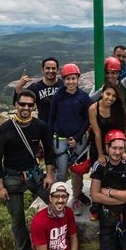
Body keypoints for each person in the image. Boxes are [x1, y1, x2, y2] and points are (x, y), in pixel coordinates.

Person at [0, 90, 55, 250]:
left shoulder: (40, 126)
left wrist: (50, 174)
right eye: (23, 104)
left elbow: (49, 150)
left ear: (33, 106)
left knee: (54, 204)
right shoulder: (3, 129)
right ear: (16, 105)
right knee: (17, 219)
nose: (26, 108)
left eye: (30, 105)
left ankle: (54, 242)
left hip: (34, 174)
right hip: (11, 177)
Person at [48, 63, 92, 215]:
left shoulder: (84, 97)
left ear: (78, 79)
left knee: (77, 172)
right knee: (61, 172)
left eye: (73, 78)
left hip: (78, 140)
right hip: (60, 139)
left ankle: (76, 198)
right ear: (63, 80)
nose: (70, 82)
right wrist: (49, 140)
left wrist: (78, 136)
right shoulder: (58, 96)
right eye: (67, 79)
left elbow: (87, 120)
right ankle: (58, 203)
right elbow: (51, 117)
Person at [30, 182, 86, 250]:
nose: (60, 200)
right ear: (50, 198)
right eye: (56, 196)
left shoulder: (68, 212)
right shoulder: (39, 220)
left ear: (67, 198)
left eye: (64, 196)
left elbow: (73, 237)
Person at [89, 83, 126, 166]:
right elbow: (97, 133)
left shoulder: (119, 108)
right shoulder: (93, 109)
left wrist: (123, 151)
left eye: (114, 96)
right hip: (99, 144)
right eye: (108, 94)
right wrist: (100, 154)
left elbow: (125, 129)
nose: (110, 98)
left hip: (116, 142)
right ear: (102, 93)